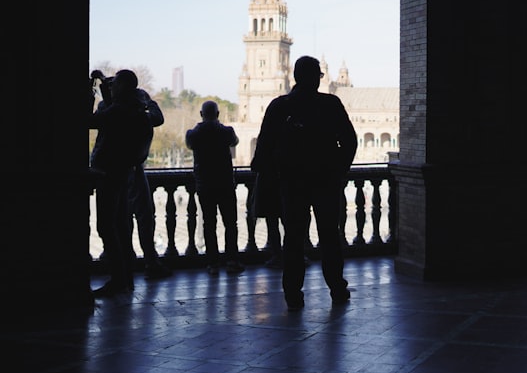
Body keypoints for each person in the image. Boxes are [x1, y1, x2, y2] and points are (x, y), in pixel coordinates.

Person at [252, 56, 358, 310]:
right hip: (326, 181)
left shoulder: (279, 106)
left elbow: (264, 148)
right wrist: (338, 170)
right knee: (330, 236)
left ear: (294, 76)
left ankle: (292, 292)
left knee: (294, 238)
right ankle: (336, 286)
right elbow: (350, 141)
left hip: (292, 183)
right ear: (317, 77)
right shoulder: (330, 104)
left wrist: (276, 173)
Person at [91, 70, 172, 281]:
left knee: (112, 224)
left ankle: (121, 274)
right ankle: (144, 264)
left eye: (115, 84)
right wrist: (147, 99)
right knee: (141, 218)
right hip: (133, 169)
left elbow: (94, 119)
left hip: (111, 172)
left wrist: (92, 92)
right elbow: (157, 117)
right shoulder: (140, 113)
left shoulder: (115, 112)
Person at [186, 100, 244, 274]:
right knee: (230, 223)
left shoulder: (193, 134)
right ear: (218, 114)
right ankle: (232, 260)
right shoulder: (226, 132)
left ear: (201, 114)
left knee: (209, 224)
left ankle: (213, 262)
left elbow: (190, 144)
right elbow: (235, 142)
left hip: (205, 184)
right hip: (225, 183)